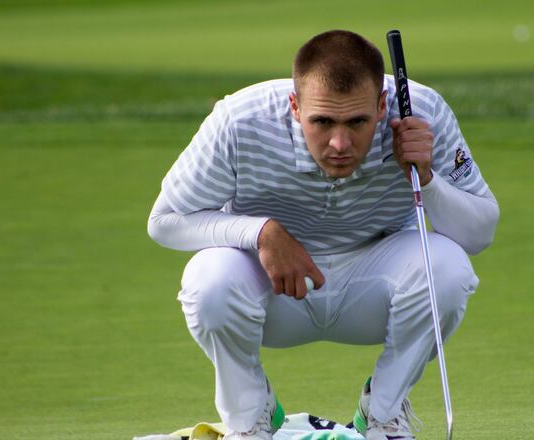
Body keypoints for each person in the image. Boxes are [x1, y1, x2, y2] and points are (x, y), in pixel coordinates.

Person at [147, 30, 499, 440]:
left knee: (450, 268)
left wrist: (428, 178)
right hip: (271, 290)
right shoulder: (239, 120)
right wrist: (261, 232)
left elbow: (479, 233)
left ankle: (383, 416)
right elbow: (164, 220)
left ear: (383, 106)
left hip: (375, 283)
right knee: (208, 279)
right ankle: (250, 420)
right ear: (295, 107)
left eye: (357, 122)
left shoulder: (420, 113)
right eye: (322, 122)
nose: (339, 143)